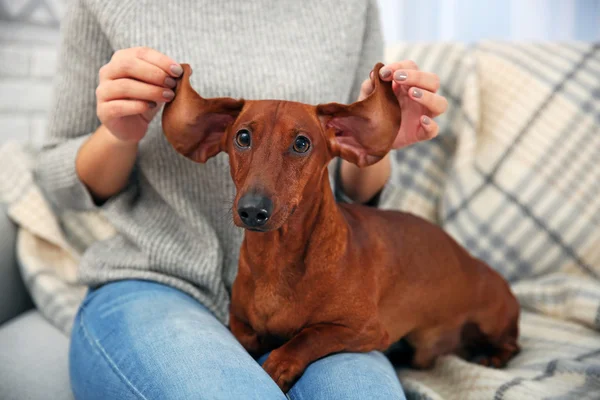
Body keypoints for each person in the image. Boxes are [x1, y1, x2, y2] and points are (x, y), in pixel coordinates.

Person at [35, 0, 448, 399]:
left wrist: (377, 140)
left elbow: (355, 185)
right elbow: (57, 183)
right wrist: (118, 133)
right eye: (244, 139)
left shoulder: (350, 5)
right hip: (157, 282)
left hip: (313, 301)